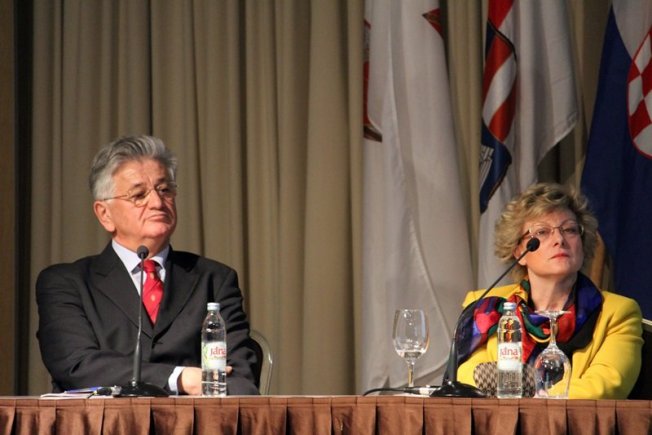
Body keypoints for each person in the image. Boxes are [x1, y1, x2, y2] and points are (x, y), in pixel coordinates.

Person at [36, 135, 258, 395]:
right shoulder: (66, 283)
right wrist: (179, 378)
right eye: (139, 195)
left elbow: (240, 376)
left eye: (165, 190)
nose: (157, 203)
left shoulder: (215, 279)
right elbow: (77, 365)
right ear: (105, 214)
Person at [456, 182, 643, 399]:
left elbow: (604, 387)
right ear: (519, 252)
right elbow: (467, 374)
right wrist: (530, 387)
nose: (559, 240)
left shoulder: (618, 312)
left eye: (570, 230)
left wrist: (531, 392)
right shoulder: (486, 305)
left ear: (582, 244)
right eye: (542, 232)